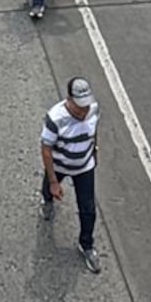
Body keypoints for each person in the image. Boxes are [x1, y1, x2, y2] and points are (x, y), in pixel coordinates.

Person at [40, 78, 101, 273]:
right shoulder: (55, 118)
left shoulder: (94, 109)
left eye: (85, 106)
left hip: (84, 166)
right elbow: (46, 149)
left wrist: (94, 151)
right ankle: (47, 200)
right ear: (69, 99)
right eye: (79, 107)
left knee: (88, 208)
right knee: (49, 189)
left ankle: (86, 244)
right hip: (59, 165)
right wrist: (53, 181)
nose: (83, 111)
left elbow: (94, 131)